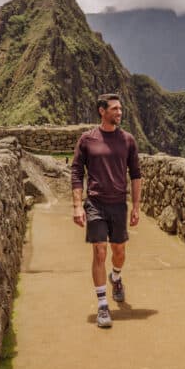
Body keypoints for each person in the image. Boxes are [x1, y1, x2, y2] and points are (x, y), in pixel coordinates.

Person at [70, 93, 141, 328]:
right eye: (114, 109)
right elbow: (76, 173)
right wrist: (78, 205)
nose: (119, 112)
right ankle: (102, 305)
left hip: (119, 204)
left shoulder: (128, 140)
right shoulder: (87, 140)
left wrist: (137, 207)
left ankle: (116, 277)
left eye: (120, 109)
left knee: (118, 251)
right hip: (96, 204)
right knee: (100, 252)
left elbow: (136, 175)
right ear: (102, 111)